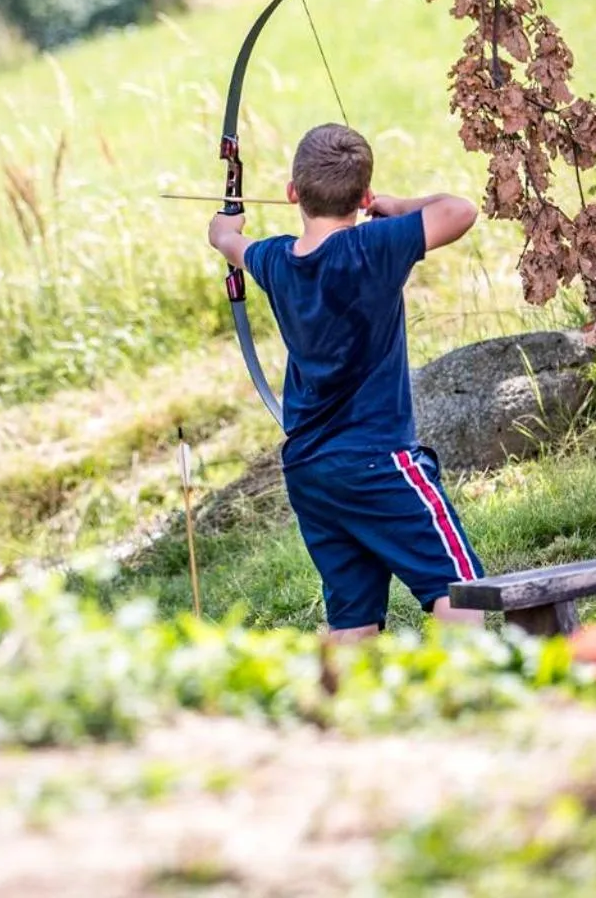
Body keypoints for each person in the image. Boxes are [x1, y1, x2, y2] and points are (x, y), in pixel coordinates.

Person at [207, 122, 485, 641]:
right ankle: (469, 702)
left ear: (293, 194)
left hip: (311, 473)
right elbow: (459, 210)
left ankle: (345, 717)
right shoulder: (373, 247)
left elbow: (227, 241)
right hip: (377, 460)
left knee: (352, 623)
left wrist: (227, 225)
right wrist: (396, 205)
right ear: (362, 197)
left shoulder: (275, 260)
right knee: (463, 590)